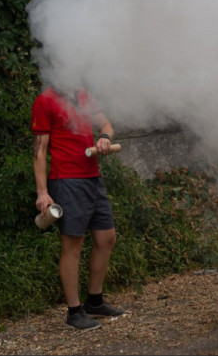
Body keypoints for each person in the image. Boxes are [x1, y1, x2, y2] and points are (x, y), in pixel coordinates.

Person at [31, 85, 125, 331]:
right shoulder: (45, 100)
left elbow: (106, 125)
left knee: (107, 239)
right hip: (66, 181)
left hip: (93, 177)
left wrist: (104, 137)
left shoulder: (84, 94)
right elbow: (39, 151)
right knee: (73, 246)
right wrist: (42, 193)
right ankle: (74, 312)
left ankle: (94, 302)